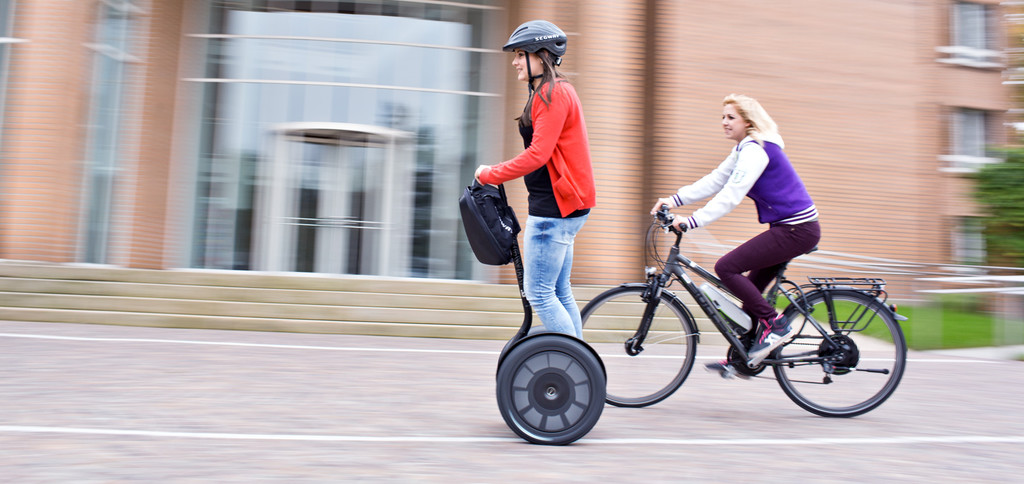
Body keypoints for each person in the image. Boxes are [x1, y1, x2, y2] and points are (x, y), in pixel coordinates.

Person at [650, 94, 821, 377]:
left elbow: (731, 195)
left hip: (796, 230)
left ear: (748, 122)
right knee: (750, 292)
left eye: (731, 117)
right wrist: (674, 200)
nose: (724, 122)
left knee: (726, 267)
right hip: (788, 229)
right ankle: (745, 358)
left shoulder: (756, 150)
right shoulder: (745, 148)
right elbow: (716, 180)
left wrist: (691, 221)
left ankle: (776, 325)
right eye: (723, 117)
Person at [474, 20, 596, 339]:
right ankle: (580, 362)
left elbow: (537, 155)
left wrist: (489, 173)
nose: (515, 62)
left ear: (540, 55)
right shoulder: (556, 91)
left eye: (520, 54)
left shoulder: (551, 94)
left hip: (553, 211)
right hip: (564, 206)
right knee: (559, 291)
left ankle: (576, 364)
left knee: (540, 294)